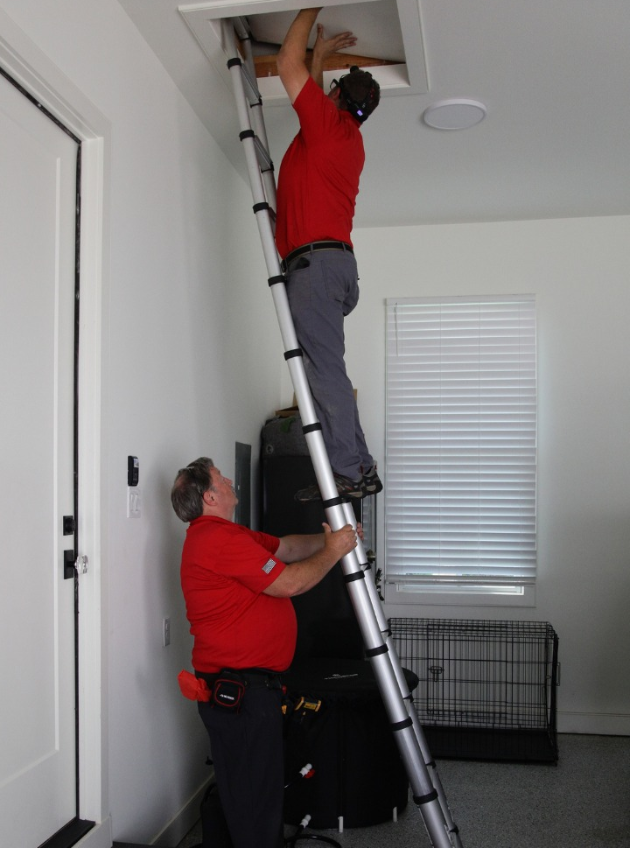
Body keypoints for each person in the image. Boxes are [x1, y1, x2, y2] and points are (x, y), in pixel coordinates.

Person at [170, 457, 358, 848]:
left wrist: (331, 540)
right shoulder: (215, 540)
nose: (228, 479)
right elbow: (288, 583)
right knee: (255, 802)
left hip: (248, 691)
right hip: (240, 694)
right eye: (221, 478)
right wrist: (334, 552)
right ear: (209, 496)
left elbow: (287, 547)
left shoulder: (227, 534)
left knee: (253, 793)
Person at [275, 8, 383, 502]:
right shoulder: (342, 136)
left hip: (317, 269)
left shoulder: (330, 128)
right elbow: (309, 90)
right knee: (327, 371)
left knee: (325, 373)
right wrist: (320, 57)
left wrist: (309, 8)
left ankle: (350, 470)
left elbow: (285, 65)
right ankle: (357, 465)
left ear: (337, 98)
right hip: (329, 266)